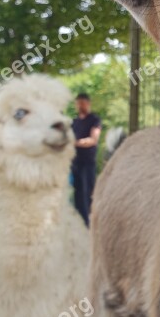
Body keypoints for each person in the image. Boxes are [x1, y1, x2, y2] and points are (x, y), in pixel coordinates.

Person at [71, 93, 102, 226]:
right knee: (77, 193)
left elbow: (93, 140)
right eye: (78, 103)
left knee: (88, 192)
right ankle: (80, 222)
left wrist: (76, 143)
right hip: (75, 163)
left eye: (82, 103)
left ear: (88, 103)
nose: (80, 106)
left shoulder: (94, 119)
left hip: (88, 162)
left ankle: (92, 222)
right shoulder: (74, 122)